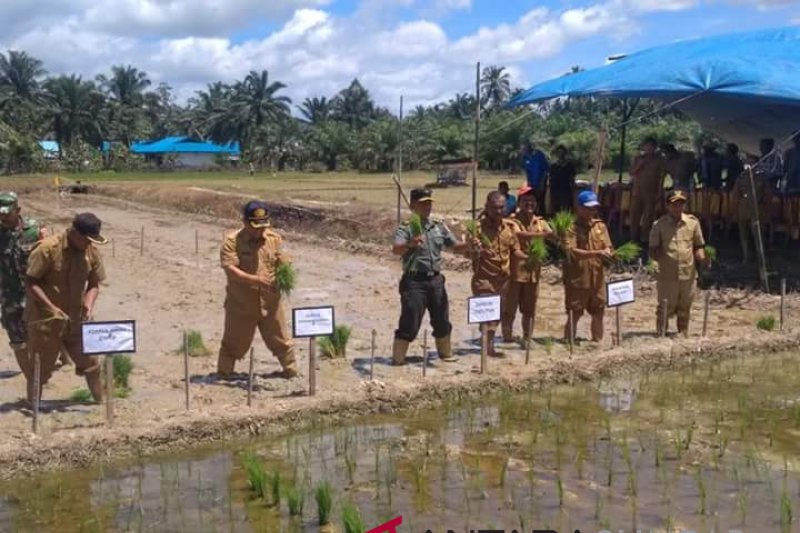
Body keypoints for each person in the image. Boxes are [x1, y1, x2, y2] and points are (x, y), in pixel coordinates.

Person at [26, 213, 108, 404]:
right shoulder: (48, 249)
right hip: (47, 321)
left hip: (76, 320)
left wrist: (88, 305)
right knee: (40, 368)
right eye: (86, 240)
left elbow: (94, 284)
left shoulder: (91, 252)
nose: (88, 244)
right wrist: (51, 307)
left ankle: (100, 404)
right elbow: (31, 282)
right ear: (75, 233)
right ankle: (33, 408)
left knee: (91, 364)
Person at [217, 200, 297, 379]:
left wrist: (285, 264)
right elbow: (230, 270)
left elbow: (279, 258)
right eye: (256, 226)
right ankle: (224, 373)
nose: (260, 230)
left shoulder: (273, 239)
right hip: (241, 304)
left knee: (281, 340)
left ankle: (291, 371)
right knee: (233, 342)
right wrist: (255, 280)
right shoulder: (231, 242)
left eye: (263, 226)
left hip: (270, 303)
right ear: (245, 222)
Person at [392, 188, 470, 365]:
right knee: (410, 321)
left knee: (442, 319)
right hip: (414, 281)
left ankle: (445, 354)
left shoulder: (438, 226)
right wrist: (410, 244)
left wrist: (469, 246)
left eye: (429, 203)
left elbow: (454, 246)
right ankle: (398, 359)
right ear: (413, 205)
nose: (427, 206)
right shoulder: (407, 227)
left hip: (435, 280)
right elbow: (396, 249)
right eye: (423, 203)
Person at [466, 191, 523, 357]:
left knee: (497, 314)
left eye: (501, 208)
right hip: (484, 278)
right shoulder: (477, 229)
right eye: (494, 208)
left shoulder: (509, 228)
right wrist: (478, 250)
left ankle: (487, 345)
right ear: (487, 207)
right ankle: (487, 349)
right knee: (487, 314)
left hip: (503, 280)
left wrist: (531, 258)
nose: (498, 211)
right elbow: (467, 252)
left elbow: (515, 251)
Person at [648, 190, 708, 337]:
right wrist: (653, 264)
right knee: (665, 306)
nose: (678, 207)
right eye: (674, 204)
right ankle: (661, 334)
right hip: (667, 274)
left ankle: (683, 333)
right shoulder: (659, 225)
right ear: (668, 206)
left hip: (688, 273)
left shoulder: (692, 223)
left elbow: (699, 245)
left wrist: (702, 256)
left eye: (681, 204)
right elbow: (653, 249)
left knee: (685, 306)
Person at [501, 186, 553, 345]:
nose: (529, 204)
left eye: (532, 201)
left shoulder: (540, 222)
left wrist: (559, 233)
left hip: (533, 274)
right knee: (510, 308)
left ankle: (527, 338)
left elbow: (552, 235)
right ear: (519, 203)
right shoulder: (511, 221)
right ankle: (507, 338)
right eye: (526, 201)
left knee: (530, 309)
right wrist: (543, 235)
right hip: (515, 273)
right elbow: (519, 234)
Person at [562, 190, 613, 343]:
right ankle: (569, 342)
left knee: (599, 311)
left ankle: (597, 341)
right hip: (578, 278)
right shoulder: (570, 227)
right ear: (579, 208)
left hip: (597, 279)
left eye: (594, 208)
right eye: (588, 208)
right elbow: (572, 251)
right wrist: (597, 253)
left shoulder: (600, 226)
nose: (592, 211)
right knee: (575, 312)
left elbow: (608, 246)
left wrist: (609, 253)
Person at [629, 137, 666, 244]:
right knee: (635, 215)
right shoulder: (637, 158)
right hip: (637, 191)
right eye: (646, 146)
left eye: (651, 147)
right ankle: (633, 237)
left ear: (655, 148)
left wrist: (660, 192)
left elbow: (661, 177)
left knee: (648, 216)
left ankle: (645, 237)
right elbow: (632, 172)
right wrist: (642, 163)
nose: (648, 149)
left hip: (651, 192)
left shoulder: (659, 160)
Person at [734, 154, 767, 264]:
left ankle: (758, 257)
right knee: (745, 235)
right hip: (745, 209)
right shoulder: (741, 177)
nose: (749, 165)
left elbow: (768, 196)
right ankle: (747, 257)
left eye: (751, 162)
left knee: (756, 235)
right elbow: (735, 195)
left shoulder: (761, 178)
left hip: (756, 210)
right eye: (747, 162)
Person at [521, 142, 550, 211]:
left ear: (529, 147)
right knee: (532, 200)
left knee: (541, 200)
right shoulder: (525, 158)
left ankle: (542, 217)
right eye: (523, 149)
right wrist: (529, 183)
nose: (523, 150)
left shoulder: (539, 155)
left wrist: (542, 183)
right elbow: (527, 171)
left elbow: (546, 170)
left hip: (541, 181)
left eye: (525, 148)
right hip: (532, 183)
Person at [549, 145, 577, 213]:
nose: (560, 154)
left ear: (565, 153)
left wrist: (573, 190)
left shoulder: (570, 165)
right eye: (559, 152)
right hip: (555, 191)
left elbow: (572, 178)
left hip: (566, 190)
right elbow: (551, 179)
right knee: (556, 209)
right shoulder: (553, 166)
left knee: (566, 209)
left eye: (562, 152)